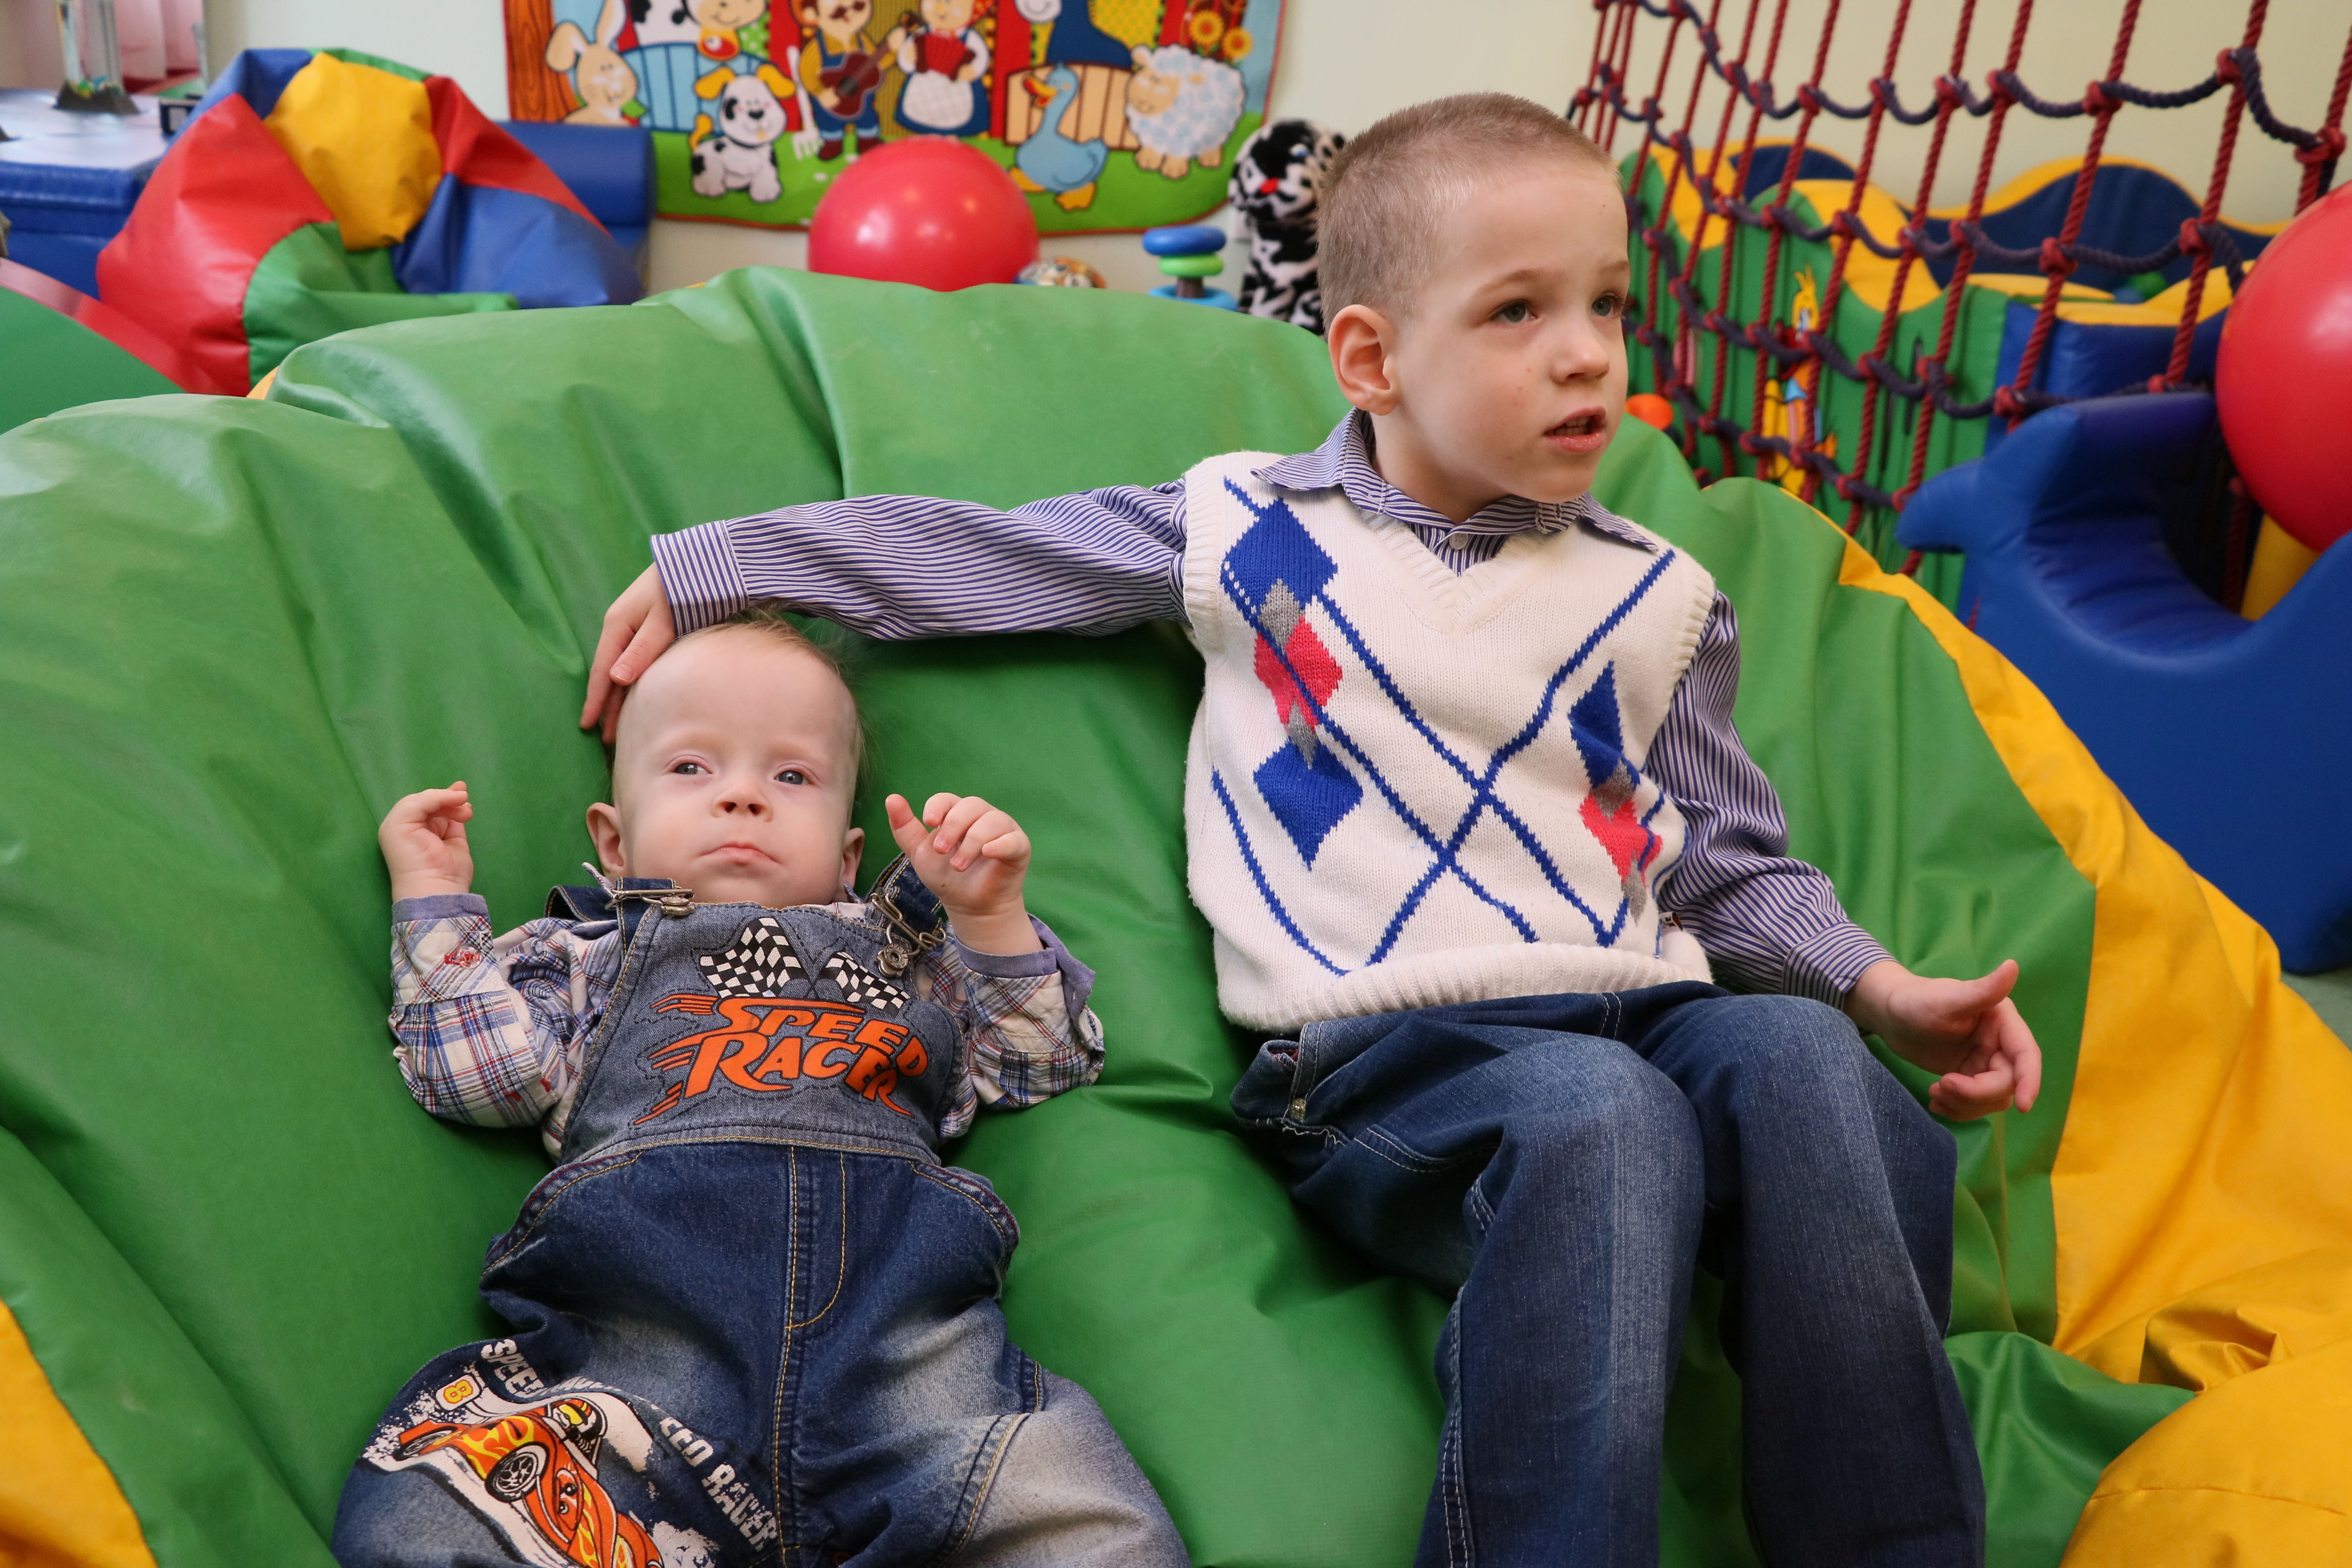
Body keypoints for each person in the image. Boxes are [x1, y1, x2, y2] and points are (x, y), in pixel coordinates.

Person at [577, 94, 2042, 1568]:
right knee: (1604, 1117)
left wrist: (1876, 987)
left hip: (1649, 1008)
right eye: (1520, 312)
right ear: (1372, 359)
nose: (1589, 352)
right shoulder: (1256, 535)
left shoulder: (1660, 597)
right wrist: (730, 561)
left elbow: (1723, 857)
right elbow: (992, 553)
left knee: (1809, 1062)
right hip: (1387, 1057)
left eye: (1607, 303)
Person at [333, 612, 1186, 1568]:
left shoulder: (915, 958)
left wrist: (989, 916)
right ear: (614, 843)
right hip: (642, 1356)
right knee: (434, 1517)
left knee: (1090, 1525)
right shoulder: (579, 958)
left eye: (792, 776)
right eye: (692, 767)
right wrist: (433, 902)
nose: (741, 796)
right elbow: (479, 1077)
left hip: (909, 1361)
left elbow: (1039, 1063)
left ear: (849, 857)